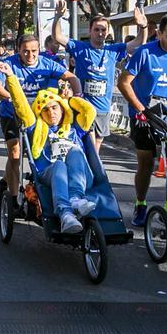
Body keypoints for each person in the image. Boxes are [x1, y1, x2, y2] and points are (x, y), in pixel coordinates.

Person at [116, 14, 167, 228]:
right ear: (159, 33)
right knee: (146, 162)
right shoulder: (145, 52)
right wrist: (141, 109)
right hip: (146, 114)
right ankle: (141, 204)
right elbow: (124, 82)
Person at [0, 32, 81, 217]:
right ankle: (14, 199)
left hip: (39, 118)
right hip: (12, 114)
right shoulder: (9, 63)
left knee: (40, 155)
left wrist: (76, 95)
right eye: (25, 51)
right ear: (18, 50)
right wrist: (16, 99)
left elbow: (72, 78)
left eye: (34, 51)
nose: (30, 56)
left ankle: (6, 182)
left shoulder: (48, 64)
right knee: (15, 154)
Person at [52, 0, 147, 150]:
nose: (100, 33)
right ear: (90, 31)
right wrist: (57, 17)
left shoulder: (114, 50)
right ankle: (90, 171)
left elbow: (138, 43)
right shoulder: (80, 47)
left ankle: (91, 171)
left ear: (108, 32)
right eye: (96, 29)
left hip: (103, 109)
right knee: (87, 143)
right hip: (84, 106)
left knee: (96, 145)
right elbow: (57, 37)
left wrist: (143, 26)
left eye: (103, 30)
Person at [20, 83, 100, 234]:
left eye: (54, 107)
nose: (51, 113)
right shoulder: (35, 129)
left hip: (80, 176)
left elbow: (90, 111)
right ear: (40, 113)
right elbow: (22, 107)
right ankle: (66, 214)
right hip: (49, 173)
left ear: (62, 109)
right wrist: (10, 76)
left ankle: (76, 199)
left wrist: (69, 99)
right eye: (45, 109)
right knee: (59, 165)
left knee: (75, 151)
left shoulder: (74, 129)